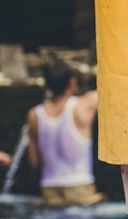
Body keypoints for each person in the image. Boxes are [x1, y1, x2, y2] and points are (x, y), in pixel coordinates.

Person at [25, 61, 105, 206]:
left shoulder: (34, 115)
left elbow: (34, 161)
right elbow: (109, 90)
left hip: (49, 188)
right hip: (80, 186)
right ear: (72, 82)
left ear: (46, 85)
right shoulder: (83, 106)